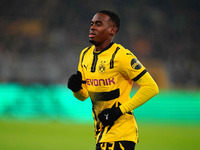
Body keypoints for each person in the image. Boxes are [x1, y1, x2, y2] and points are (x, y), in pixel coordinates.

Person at [67, 10, 159, 150]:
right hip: (102, 134)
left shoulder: (122, 56)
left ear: (112, 30)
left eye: (98, 24)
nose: (92, 27)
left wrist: (118, 111)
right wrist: (76, 89)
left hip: (121, 134)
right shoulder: (85, 55)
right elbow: (84, 95)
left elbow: (151, 87)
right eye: (92, 24)